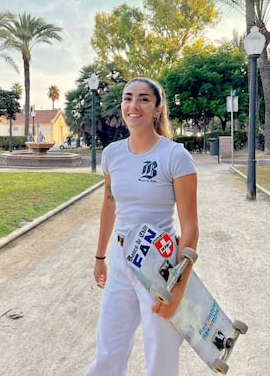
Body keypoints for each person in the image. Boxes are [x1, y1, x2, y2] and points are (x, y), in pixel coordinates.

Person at [86, 77, 198, 376]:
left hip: (159, 265)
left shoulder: (175, 156)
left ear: (158, 108)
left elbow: (190, 227)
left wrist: (178, 285)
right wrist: (100, 258)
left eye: (144, 99)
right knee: (108, 349)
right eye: (128, 98)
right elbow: (110, 205)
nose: (133, 106)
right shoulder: (112, 154)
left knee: (160, 356)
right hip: (121, 260)